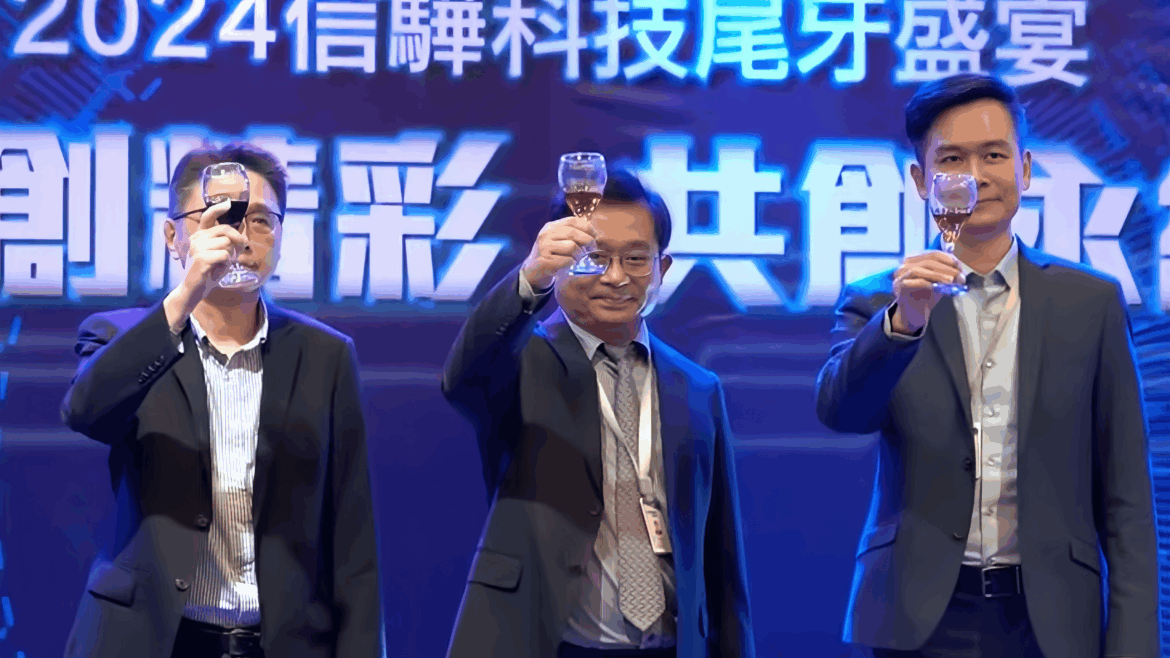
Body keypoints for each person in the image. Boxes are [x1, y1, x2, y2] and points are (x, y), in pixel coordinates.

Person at [815, 73, 1161, 658]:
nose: (975, 176)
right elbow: (841, 412)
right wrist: (904, 323)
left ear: (1024, 170)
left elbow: (1126, 496)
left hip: (1053, 619)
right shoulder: (880, 300)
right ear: (921, 181)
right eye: (952, 159)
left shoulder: (1090, 302)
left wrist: (1134, 645)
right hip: (916, 617)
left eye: (994, 155)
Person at [60, 144, 384, 658]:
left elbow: (353, 538)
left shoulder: (327, 355)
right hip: (150, 639)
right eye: (222, 217)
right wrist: (186, 294)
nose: (241, 236)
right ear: (174, 236)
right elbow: (85, 412)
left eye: (260, 220)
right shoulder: (122, 338)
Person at [441, 170, 754, 658]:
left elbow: (722, 560)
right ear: (562, 260)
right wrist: (530, 278)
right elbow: (463, 378)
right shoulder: (521, 361)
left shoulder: (698, 388)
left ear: (662, 268)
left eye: (636, 259)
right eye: (595, 258)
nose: (615, 277)